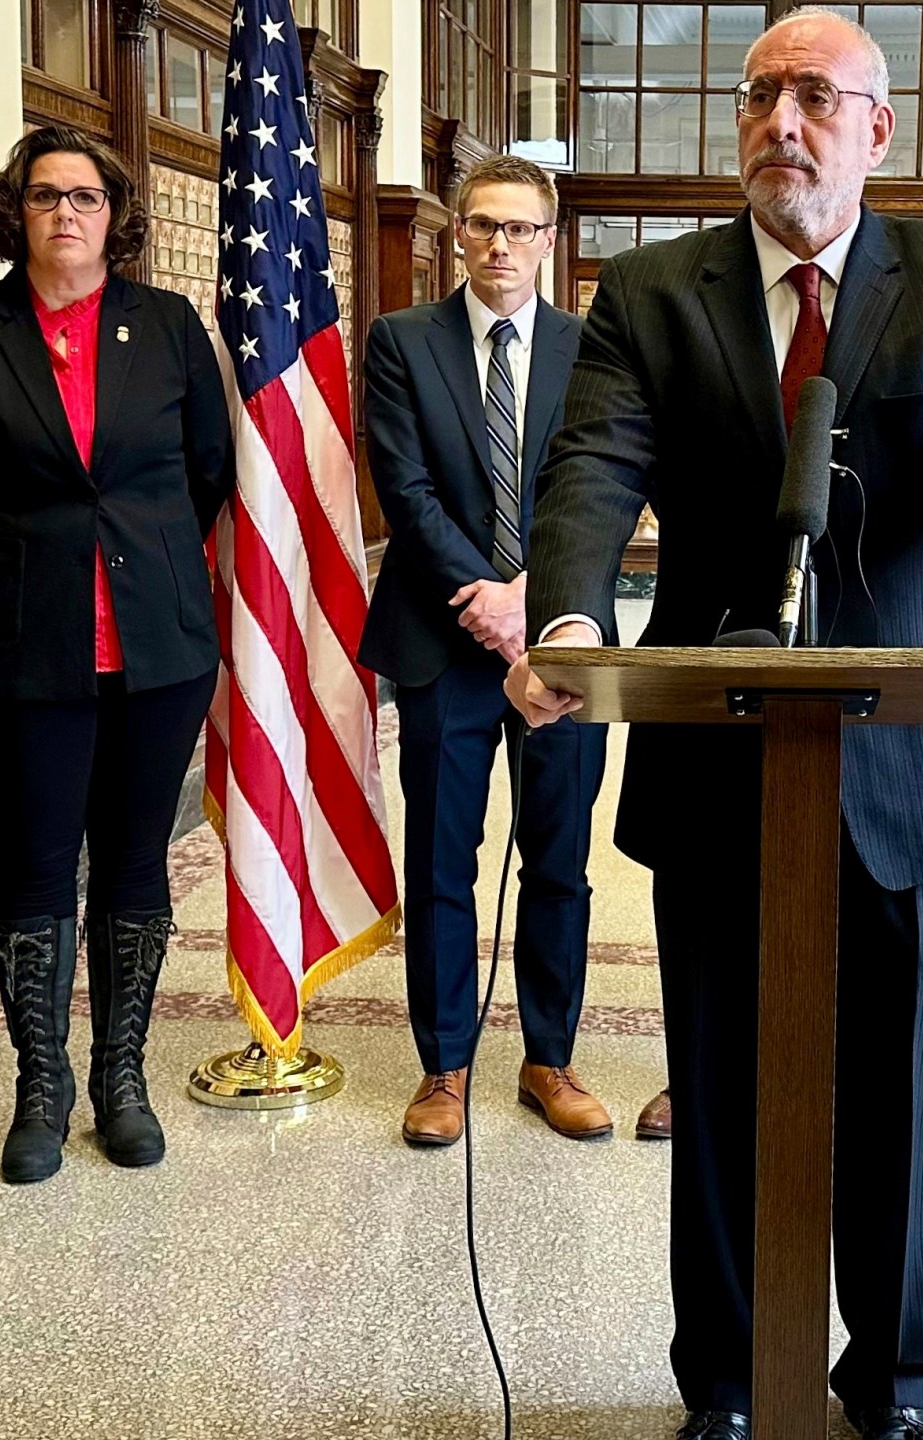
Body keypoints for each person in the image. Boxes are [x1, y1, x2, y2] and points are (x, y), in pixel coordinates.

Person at [502, 10, 923, 1438]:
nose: (786, 120)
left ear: (876, 131)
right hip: (720, 752)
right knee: (717, 1101)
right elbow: (593, 464)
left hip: (917, 759)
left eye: (819, 97)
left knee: (903, 1108)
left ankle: (890, 1391)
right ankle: (723, 1389)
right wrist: (571, 621)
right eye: (765, 93)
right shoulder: (652, 290)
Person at [0, 125, 233, 1185]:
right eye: (45, 197)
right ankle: (39, 1088)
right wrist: (9, 563)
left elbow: (207, 473)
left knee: (135, 862)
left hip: (157, 643)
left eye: (84, 197)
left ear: (112, 213)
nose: (66, 215)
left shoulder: (169, 326)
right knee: (38, 866)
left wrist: (141, 554)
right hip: (19, 643)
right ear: (16, 212)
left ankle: (120, 1081)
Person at [359, 154, 614, 1147]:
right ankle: (445, 1066)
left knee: (558, 861)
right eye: (483, 226)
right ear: (455, 235)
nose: (500, 245)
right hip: (442, 638)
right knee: (441, 861)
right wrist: (484, 600)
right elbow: (405, 485)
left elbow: (599, 486)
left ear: (549, 241)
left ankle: (549, 1057)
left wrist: (534, 604)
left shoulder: (591, 348)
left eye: (520, 228)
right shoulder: (401, 342)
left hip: (561, 644)